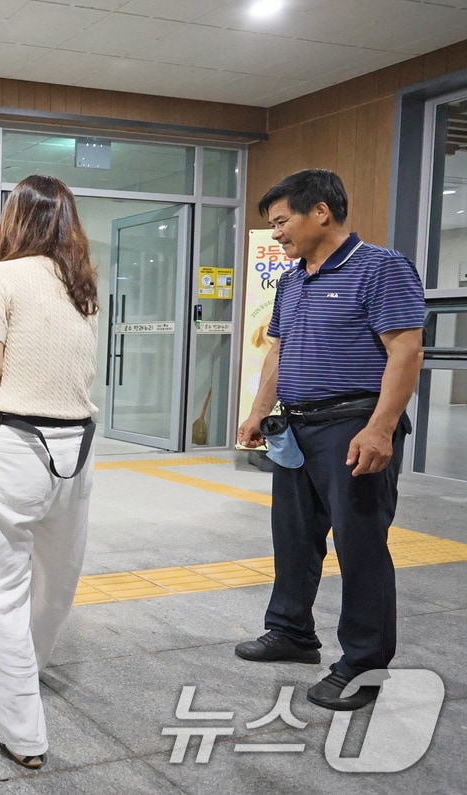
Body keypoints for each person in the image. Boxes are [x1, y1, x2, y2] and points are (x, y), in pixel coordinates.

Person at [235, 169, 424, 712]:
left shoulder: (382, 268)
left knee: (360, 545)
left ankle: (364, 665)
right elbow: (277, 350)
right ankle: (291, 632)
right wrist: (258, 411)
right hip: (295, 426)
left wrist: (381, 426)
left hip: (354, 424)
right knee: (293, 536)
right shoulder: (293, 279)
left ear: (320, 211)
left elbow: (406, 351)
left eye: (281, 222)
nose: (276, 235)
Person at [0, 175, 99, 770]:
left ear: (14, 218)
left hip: (16, 445)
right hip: (81, 449)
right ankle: (27, 675)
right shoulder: (83, 284)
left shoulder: (0, 275)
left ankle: (20, 731)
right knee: (55, 578)